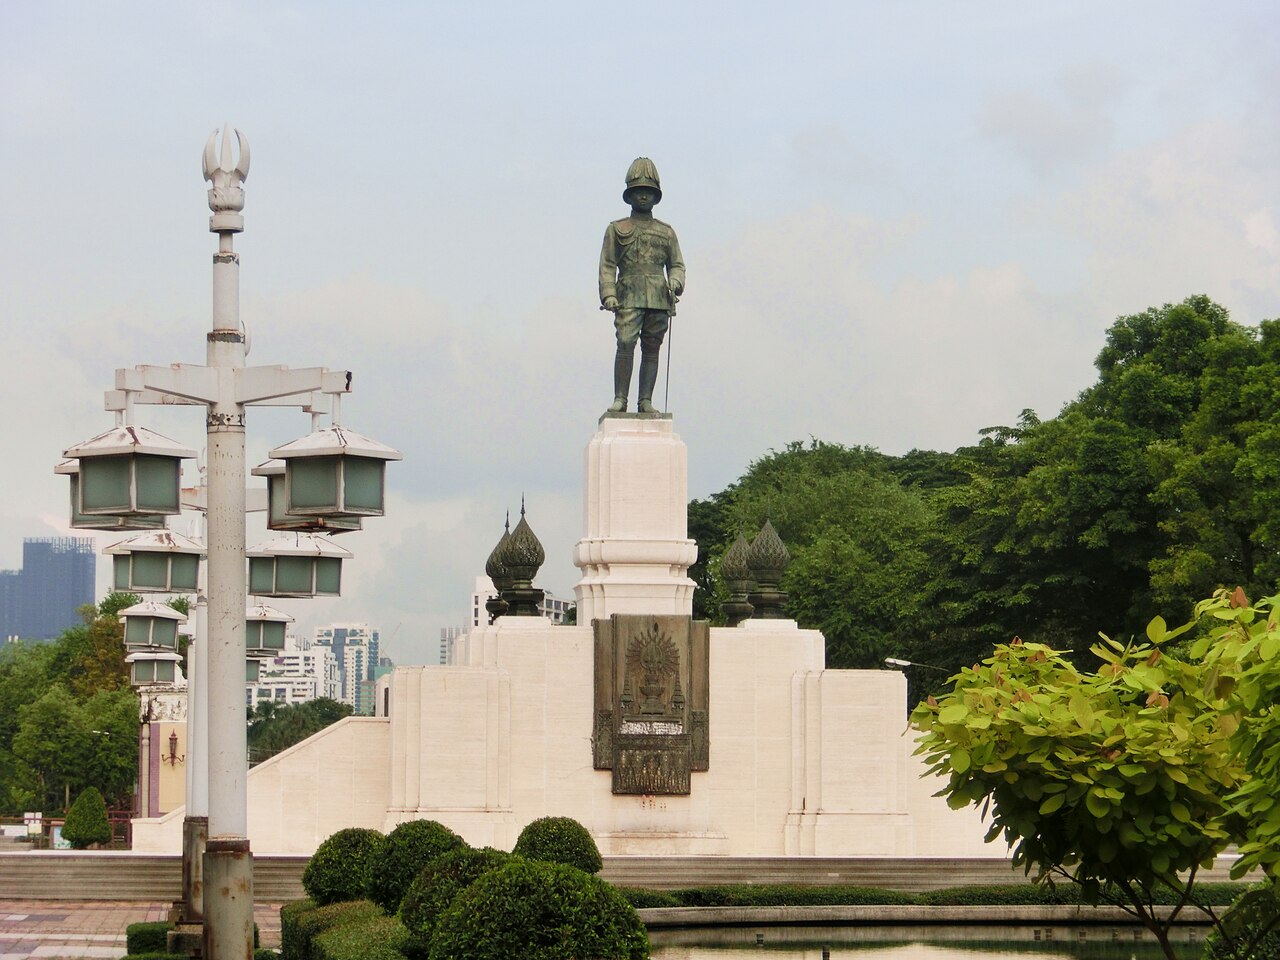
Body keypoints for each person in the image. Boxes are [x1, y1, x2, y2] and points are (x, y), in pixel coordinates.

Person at [599, 157, 685, 414]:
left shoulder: (666, 232)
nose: (644, 197)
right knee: (625, 342)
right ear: (630, 195)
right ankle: (620, 399)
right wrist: (609, 294)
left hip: (658, 298)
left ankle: (645, 400)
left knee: (651, 347)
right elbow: (607, 265)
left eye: (648, 192)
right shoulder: (616, 229)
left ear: (655, 196)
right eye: (639, 192)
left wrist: (676, 282)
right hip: (628, 295)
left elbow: (677, 264)